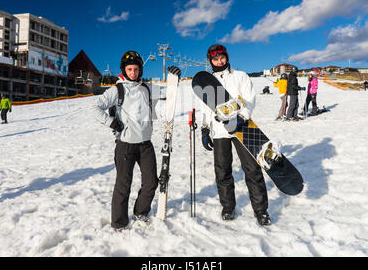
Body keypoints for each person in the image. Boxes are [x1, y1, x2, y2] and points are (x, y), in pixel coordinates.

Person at [94, 50, 180, 231]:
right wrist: (112, 122)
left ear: (140, 70)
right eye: (130, 69)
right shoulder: (117, 89)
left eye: (136, 69)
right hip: (125, 144)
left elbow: (169, 92)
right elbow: (96, 107)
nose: (133, 73)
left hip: (145, 144)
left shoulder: (148, 88)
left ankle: (141, 212)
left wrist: (175, 76)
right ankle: (118, 223)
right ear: (124, 70)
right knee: (123, 185)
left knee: (151, 182)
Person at [199, 44, 271, 226]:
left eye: (222, 57)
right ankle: (228, 207)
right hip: (220, 130)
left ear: (227, 57)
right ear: (210, 61)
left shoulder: (241, 76)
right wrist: (205, 128)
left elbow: (250, 99)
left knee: (252, 170)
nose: (219, 61)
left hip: (242, 127)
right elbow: (205, 108)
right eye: (215, 59)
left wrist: (243, 116)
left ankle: (261, 210)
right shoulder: (208, 82)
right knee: (222, 171)